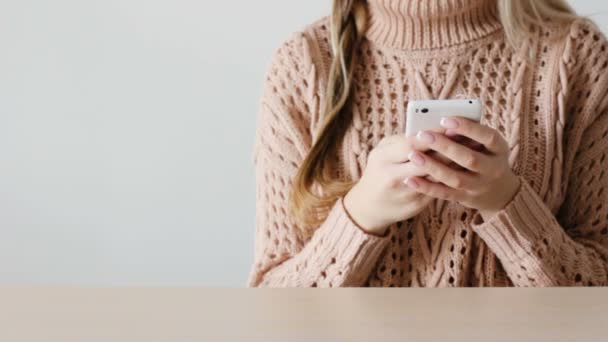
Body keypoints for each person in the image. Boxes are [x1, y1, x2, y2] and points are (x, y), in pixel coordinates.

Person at [248, 0, 608, 287]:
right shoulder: (303, 65)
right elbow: (274, 301)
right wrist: (360, 215)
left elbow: (597, 288)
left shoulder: (576, 58)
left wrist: (505, 202)